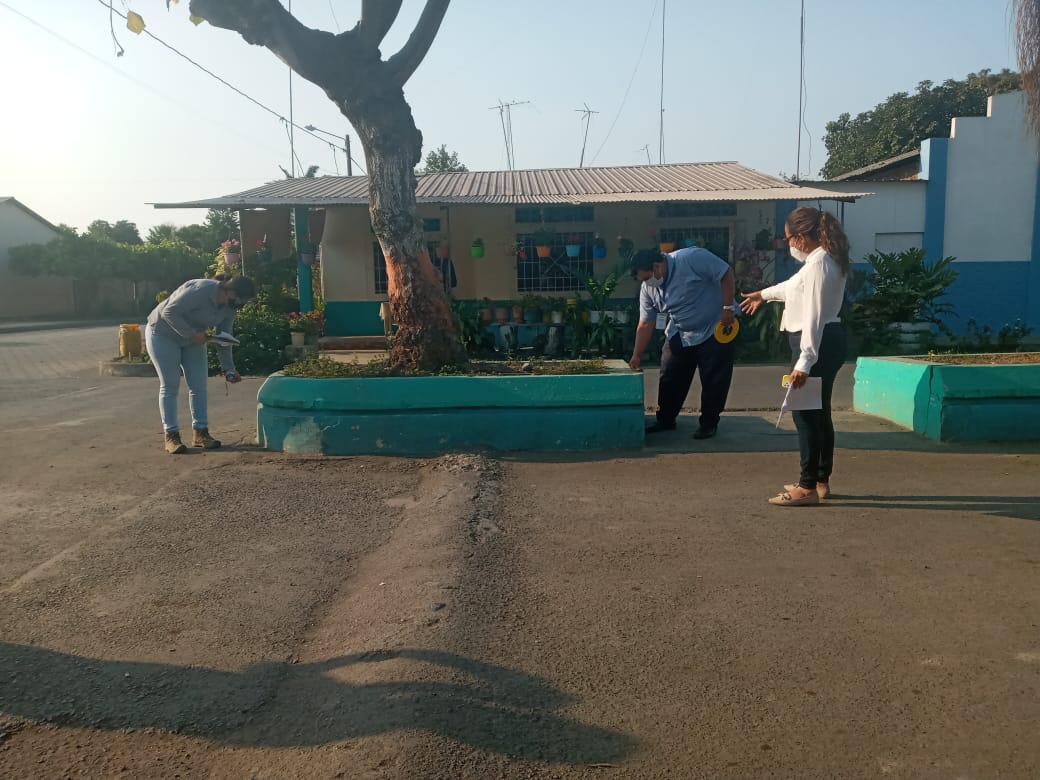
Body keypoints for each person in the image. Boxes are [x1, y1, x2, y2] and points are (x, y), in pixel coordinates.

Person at [739, 207, 850, 506]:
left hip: (814, 344)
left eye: (788, 239)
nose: (787, 244)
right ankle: (820, 479)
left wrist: (804, 361)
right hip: (827, 341)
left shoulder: (818, 264)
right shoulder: (824, 259)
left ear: (801, 237)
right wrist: (763, 294)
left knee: (804, 414)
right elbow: (792, 287)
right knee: (819, 412)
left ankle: (806, 487)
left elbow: (813, 314)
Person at [629, 245, 738, 439]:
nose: (647, 283)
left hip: (715, 327)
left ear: (657, 266)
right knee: (669, 374)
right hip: (680, 331)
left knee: (714, 379)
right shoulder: (648, 289)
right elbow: (645, 323)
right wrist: (636, 356)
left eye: (647, 278)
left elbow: (725, 273)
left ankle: (709, 423)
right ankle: (666, 419)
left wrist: (728, 307)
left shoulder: (691, 258)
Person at [145, 275, 256, 454]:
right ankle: (171, 436)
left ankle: (201, 433)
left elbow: (224, 337)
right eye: (241, 300)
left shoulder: (229, 307)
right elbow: (169, 312)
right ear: (230, 291)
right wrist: (191, 334)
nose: (241, 304)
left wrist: (229, 368)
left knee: (199, 385)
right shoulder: (200, 290)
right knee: (170, 385)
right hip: (163, 333)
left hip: (193, 338)